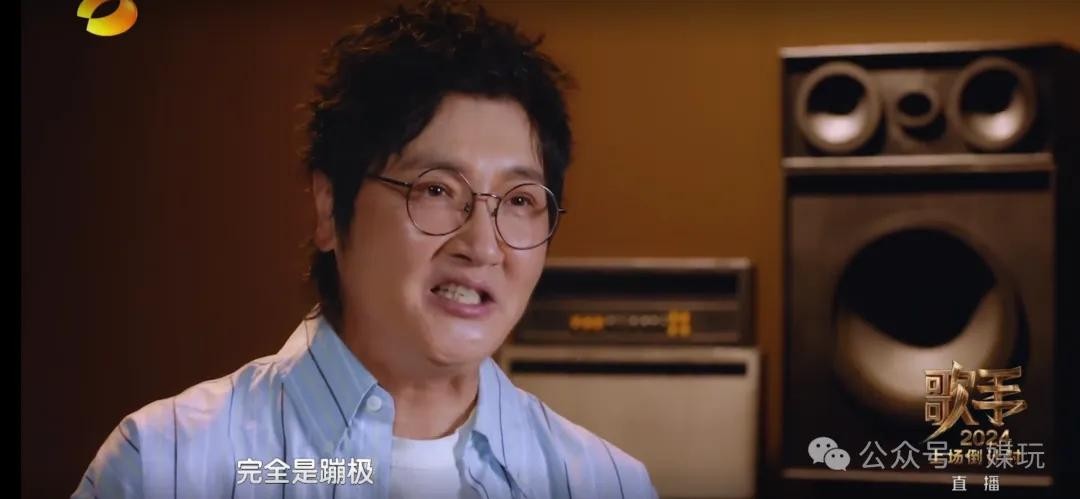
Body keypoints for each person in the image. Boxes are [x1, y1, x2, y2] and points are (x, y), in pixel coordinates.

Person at [73, 1, 658, 498]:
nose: (483, 246)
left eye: (521, 200)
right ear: (331, 208)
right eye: (436, 190)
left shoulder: (608, 483)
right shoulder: (167, 463)